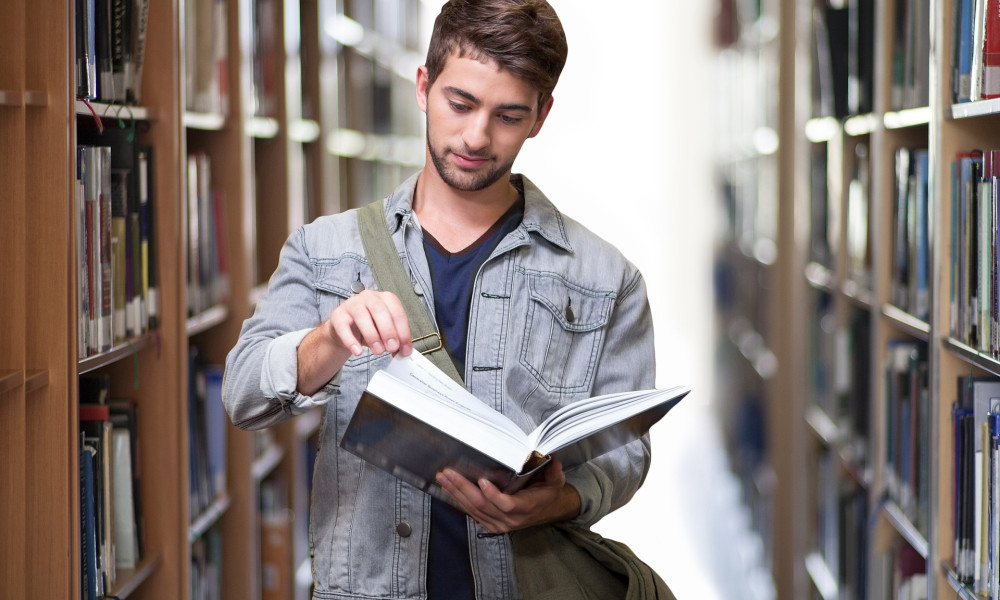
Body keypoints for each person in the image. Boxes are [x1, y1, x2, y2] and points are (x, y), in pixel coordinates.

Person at [223, 1, 658, 598]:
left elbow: (626, 452)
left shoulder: (608, 278)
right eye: (461, 104)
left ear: (541, 116)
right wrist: (326, 339)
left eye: (507, 115)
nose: (477, 136)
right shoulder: (326, 250)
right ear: (423, 86)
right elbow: (243, 393)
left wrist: (561, 500)